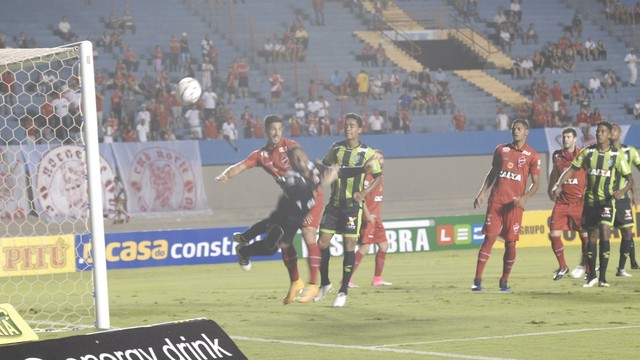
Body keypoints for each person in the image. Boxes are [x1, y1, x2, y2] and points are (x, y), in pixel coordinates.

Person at [215, 115, 326, 305]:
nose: (276, 133)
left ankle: (313, 285)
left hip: (310, 196)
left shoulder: (291, 146)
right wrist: (226, 175)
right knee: (283, 243)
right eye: (272, 129)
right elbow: (241, 166)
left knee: (308, 234)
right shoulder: (260, 155)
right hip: (291, 203)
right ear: (266, 131)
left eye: (279, 129)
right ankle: (295, 282)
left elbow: (307, 166)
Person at [299, 113, 382, 307]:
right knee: (322, 243)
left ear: (360, 129)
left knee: (349, 244)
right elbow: (327, 167)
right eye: (346, 125)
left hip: (352, 206)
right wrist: (320, 165)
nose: (348, 129)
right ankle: (325, 283)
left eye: (352, 126)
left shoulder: (368, 153)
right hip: (334, 204)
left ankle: (343, 290)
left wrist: (364, 193)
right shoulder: (335, 148)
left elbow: (378, 176)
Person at [234, 147, 338, 293]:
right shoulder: (293, 177)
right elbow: (300, 188)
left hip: (294, 219)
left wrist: (334, 170)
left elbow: (330, 173)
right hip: (286, 215)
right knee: (272, 233)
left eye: (302, 155)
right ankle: (244, 241)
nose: (300, 160)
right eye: (296, 158)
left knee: (271, 246)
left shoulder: (315, 167)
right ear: (292, 163)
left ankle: (243, 247)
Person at [553, 121, 634, 287]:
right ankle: (592, 276)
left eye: (603, 131)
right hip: (589, 203)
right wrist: (559, 184)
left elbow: (630, 179)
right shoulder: (588, 152)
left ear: (609, 135)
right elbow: (571, 169)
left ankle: (603, 278)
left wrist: (622, 191)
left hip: (606, 202)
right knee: (592, 238)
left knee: (604, 231)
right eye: (597, 131)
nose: (599, 134)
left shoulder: (616, 155)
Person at [472, 119, 541, 292]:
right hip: (496, 201)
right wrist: (482, 192)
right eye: (513, 129)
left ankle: (504, 281)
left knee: (510, 243)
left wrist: (526, 197)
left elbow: (536, 183)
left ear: (526, 132)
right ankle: (477, 280)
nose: (515, 131)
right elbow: (493, 172)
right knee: (489, 238)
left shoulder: (532, 155)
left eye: (519, 129)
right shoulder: (501, 149)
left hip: (514, 205)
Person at [546, 127, 589, 281]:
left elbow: (589, 174)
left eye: (569, 137)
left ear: (575, 139)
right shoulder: (557, 155)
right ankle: (563, 266)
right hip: (562, 202)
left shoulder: (582, 155)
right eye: (564, 137)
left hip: (579, 202)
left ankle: (588, 269)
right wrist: (550, 188)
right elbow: (554, 173)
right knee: (553, 234)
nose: (565, 139)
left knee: (584, 235)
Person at [349, 150, 392, 287]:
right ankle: (347, 279)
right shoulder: (365, 178)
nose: (381, 160)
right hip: (367, 217)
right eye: (377, 158)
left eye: (382, 157)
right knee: (365, 248)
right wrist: (367, 214)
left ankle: (377, 279)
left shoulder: (379, 176)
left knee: (384, 245)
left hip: (376, 218)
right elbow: (359, 198)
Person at [610, 124, 640, 276]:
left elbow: (631, 177)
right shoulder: (603, 151)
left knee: (627, 231)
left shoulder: (629, 151)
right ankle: (592, 266)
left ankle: (623, 267)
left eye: (614, 129)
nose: (611, 132)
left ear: (619, 133)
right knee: (598, 232)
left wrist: (634, 194)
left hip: (622, 198)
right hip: (605, 199)